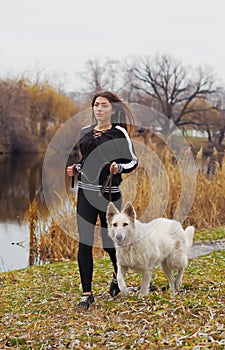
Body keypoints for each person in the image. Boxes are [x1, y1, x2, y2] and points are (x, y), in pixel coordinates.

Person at [66, 91, 138, 311]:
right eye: (96, 105)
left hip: (109, 196)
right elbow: (86, 160)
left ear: (112, 109)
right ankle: (86, 294)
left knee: (112, 243)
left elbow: (133, 161)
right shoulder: (85, 132)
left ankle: (118, 279)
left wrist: (119, 167)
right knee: (85, 243)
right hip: (85, 193)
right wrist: (76, 168)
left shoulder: (119, 133)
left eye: (104, 105)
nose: (99, 109)